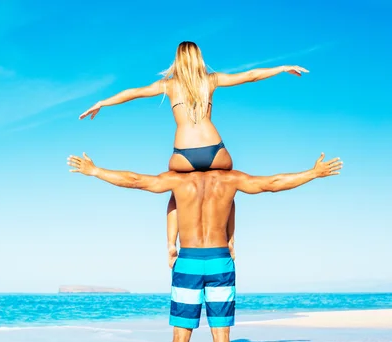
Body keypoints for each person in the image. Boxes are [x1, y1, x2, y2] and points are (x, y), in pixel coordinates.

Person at [66, 151, 342, 342]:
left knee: (181, 335)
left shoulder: (176, 182)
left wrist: (95, 171)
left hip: (188, 261)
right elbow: (272, 183)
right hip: (220, 260)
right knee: (221, 334)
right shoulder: (231, 179)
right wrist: (312, 173)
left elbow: (136, 180)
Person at [79, 41, 309, 267]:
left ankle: (171, 244)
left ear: (177, 60)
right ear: (199, 58)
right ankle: (229, 239)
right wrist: (281, 68)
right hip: (215, 151)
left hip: (183, 155)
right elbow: (250, 75)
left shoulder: (168, 85)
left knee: (177, 191)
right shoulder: (211, 80)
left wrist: (102, 102)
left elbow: (134, 93)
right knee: (227, 188)